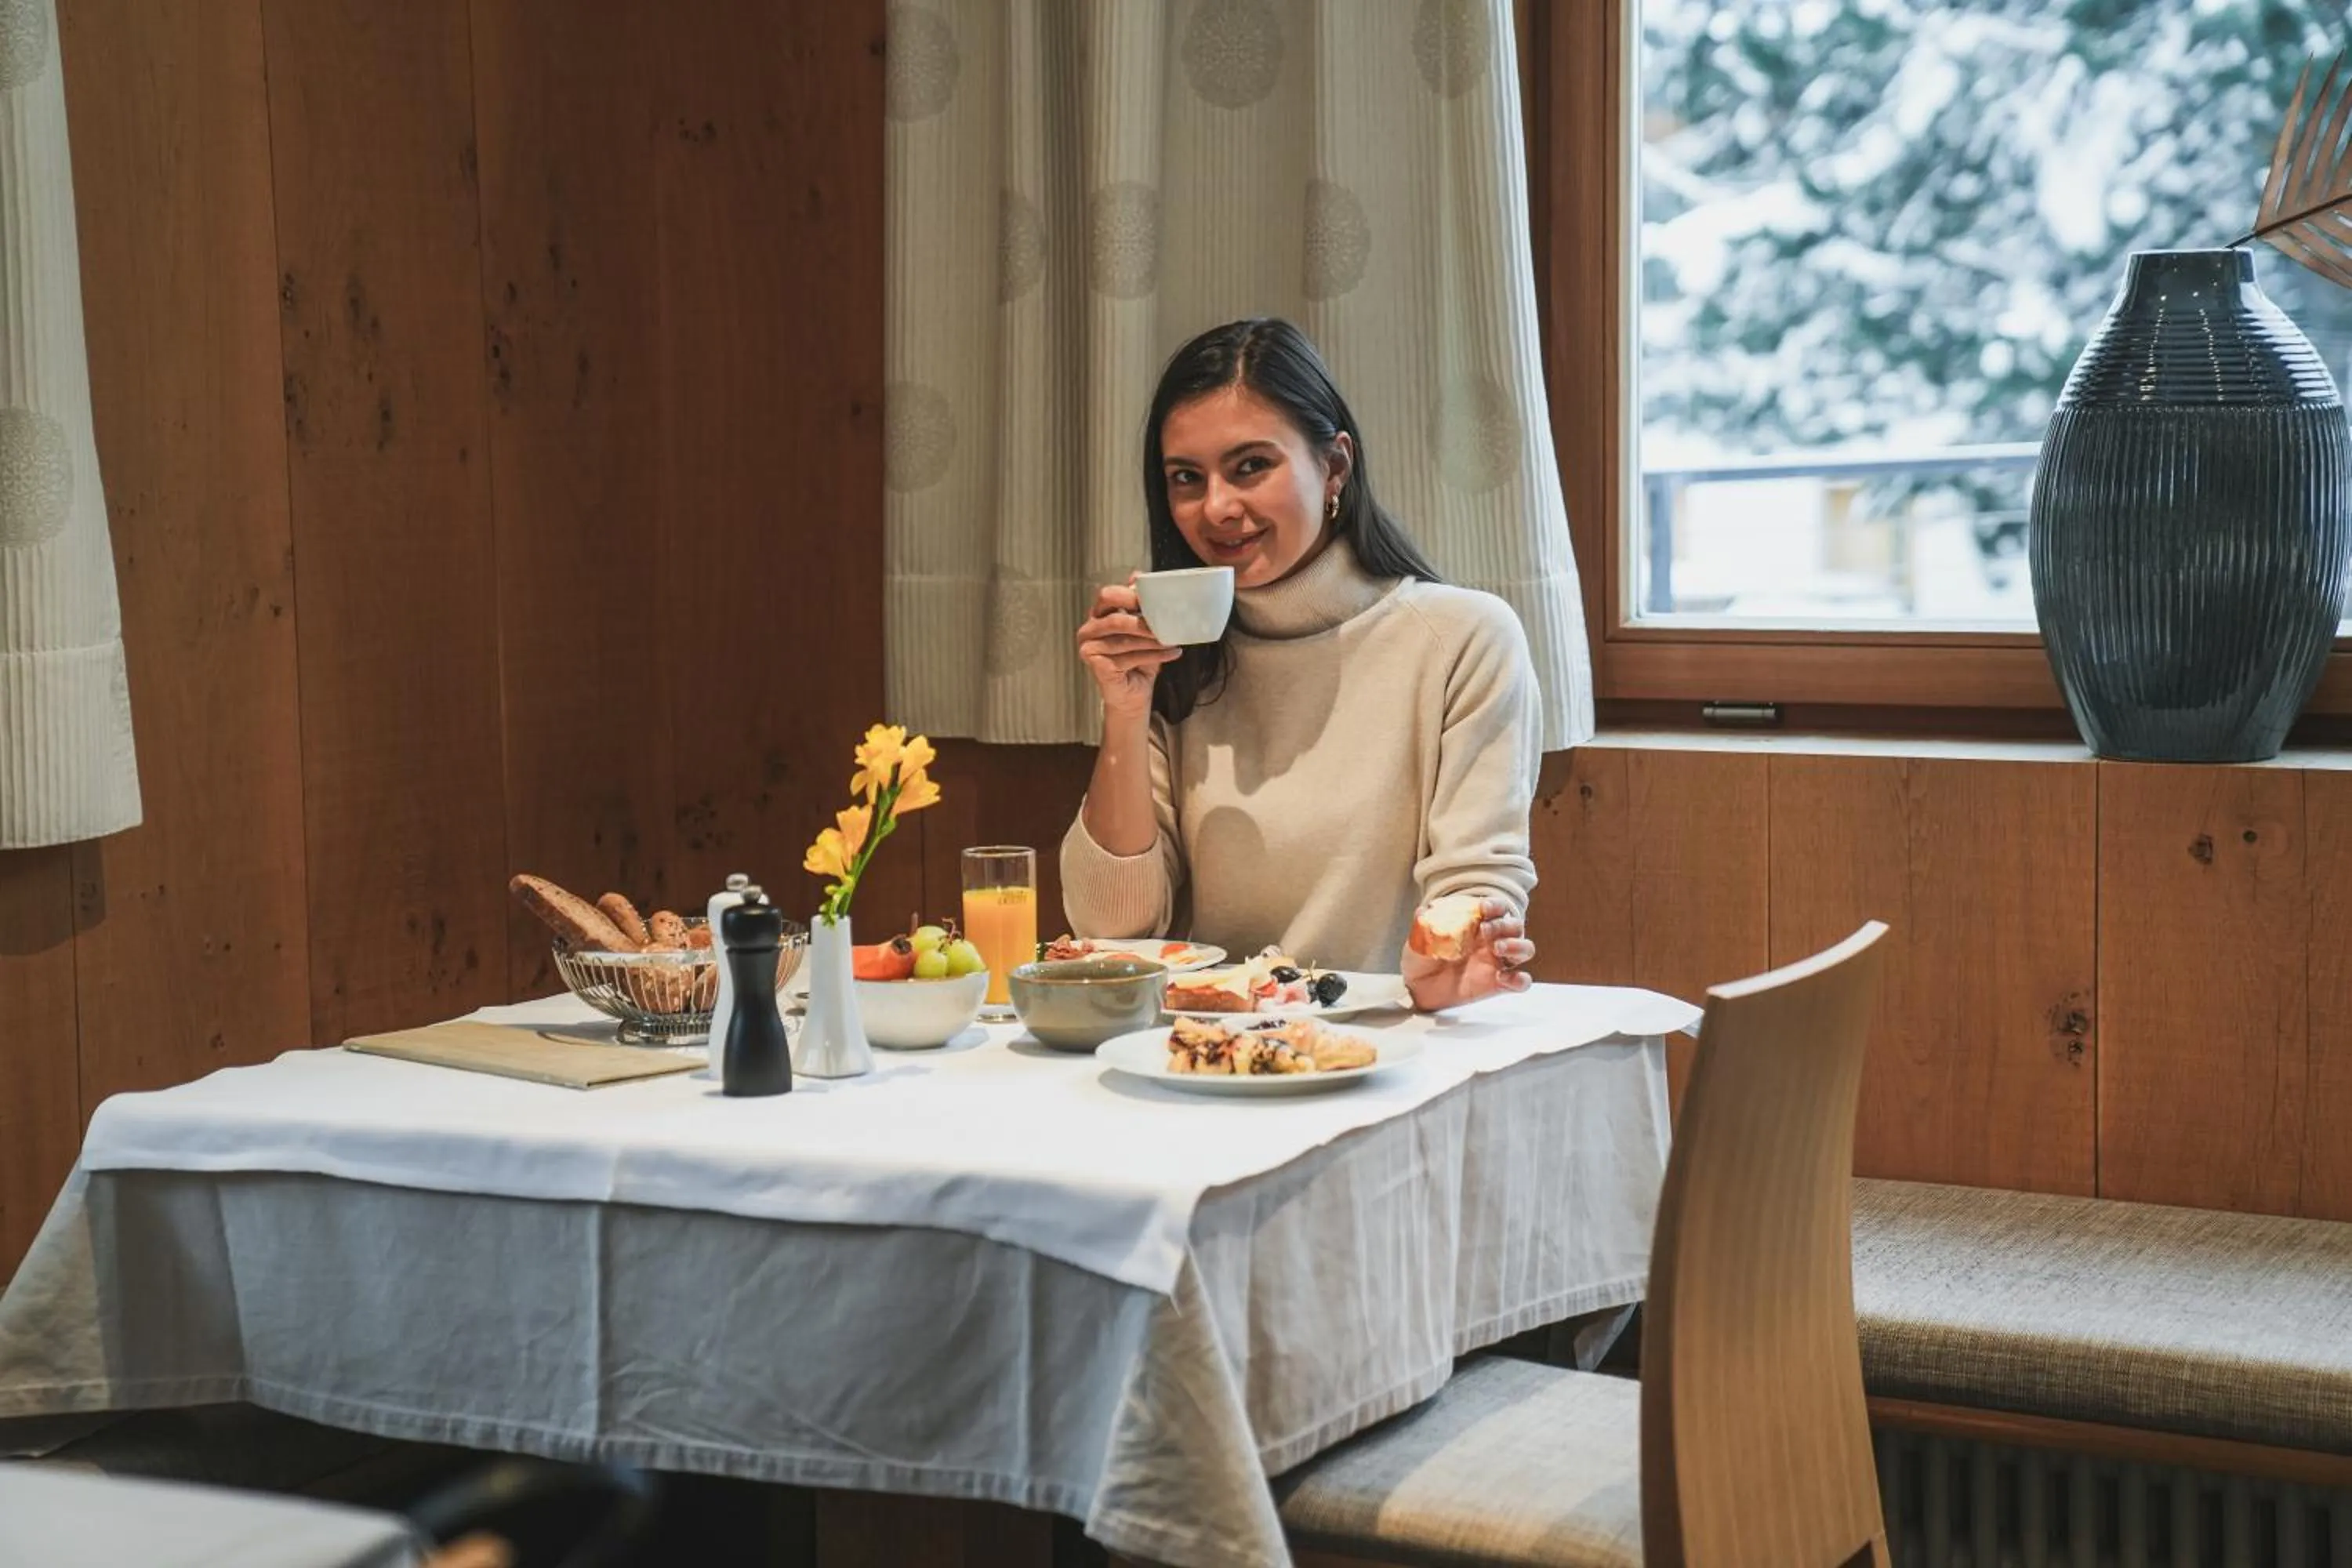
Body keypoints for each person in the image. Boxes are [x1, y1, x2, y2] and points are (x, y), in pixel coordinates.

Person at [1060, 318, 1541, 1011]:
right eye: (1187, 478)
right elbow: (1113, 932)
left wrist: (1448, 963)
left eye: (1251, 466)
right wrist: (1125, 711)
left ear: (1334, 466)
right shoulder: (1174, 657)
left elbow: (1476, 885)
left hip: (1390, 1038)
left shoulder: (1463, 639)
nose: (1217, 508)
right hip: (1209, 1042)